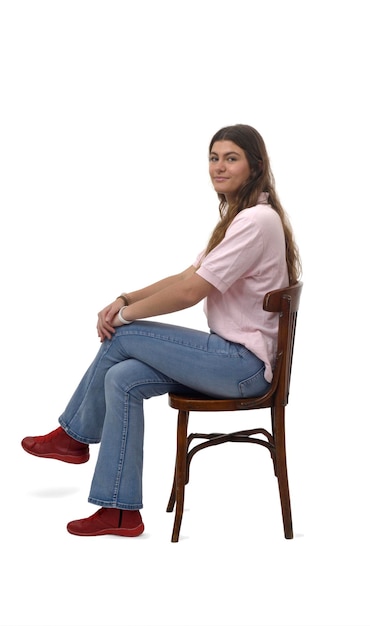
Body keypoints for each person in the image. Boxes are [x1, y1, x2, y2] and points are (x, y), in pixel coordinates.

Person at [21, 124, 302, 537]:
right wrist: (127, 298)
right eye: (214, 157)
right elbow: (188, 274)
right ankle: (120, 512)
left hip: (242, 369)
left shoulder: (256, 222)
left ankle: (73, 436)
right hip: (226, 359)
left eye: (231, 158)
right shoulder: (240, 218)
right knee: (121, 377)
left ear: (255, 166)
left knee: (127, 336)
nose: (218, 167)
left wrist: (123, 319)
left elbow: (191, 291)